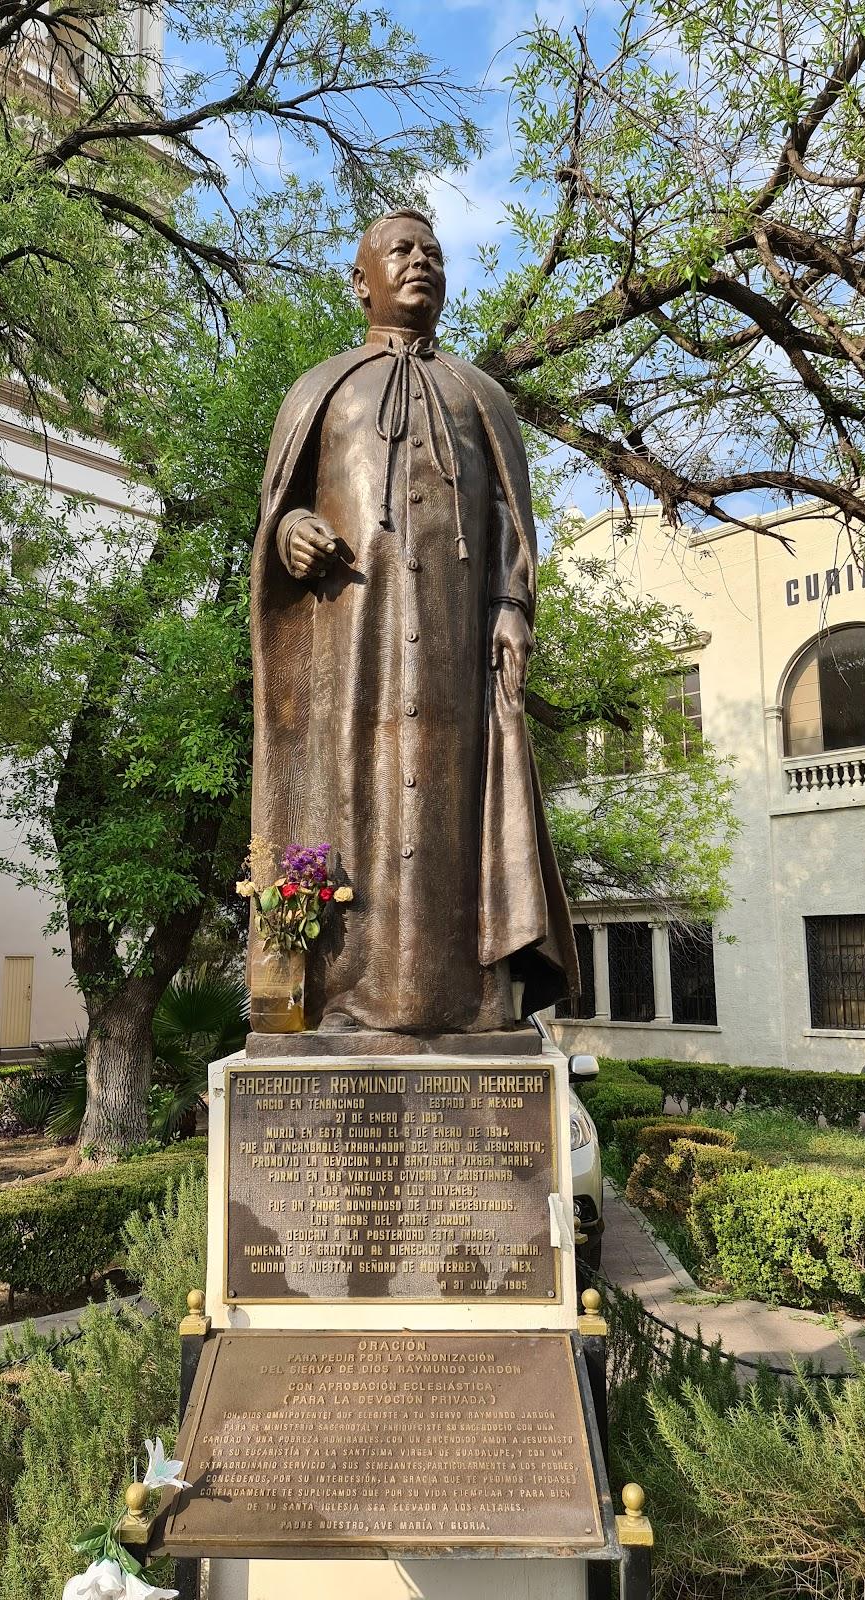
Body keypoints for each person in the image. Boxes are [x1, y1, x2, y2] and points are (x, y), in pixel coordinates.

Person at [250, 209, 576, 1035]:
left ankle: (468, 999)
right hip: (349, 640)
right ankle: (342, 994)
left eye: (433, 252)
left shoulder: (482, 396)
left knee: (459, 806)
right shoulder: (318, 388)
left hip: (457, 649)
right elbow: (275, 515)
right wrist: (289, 536)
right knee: (350, 800)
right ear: (362, 280)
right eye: (401, 251)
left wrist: (510, 606)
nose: (420, 263)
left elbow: (511, 519)